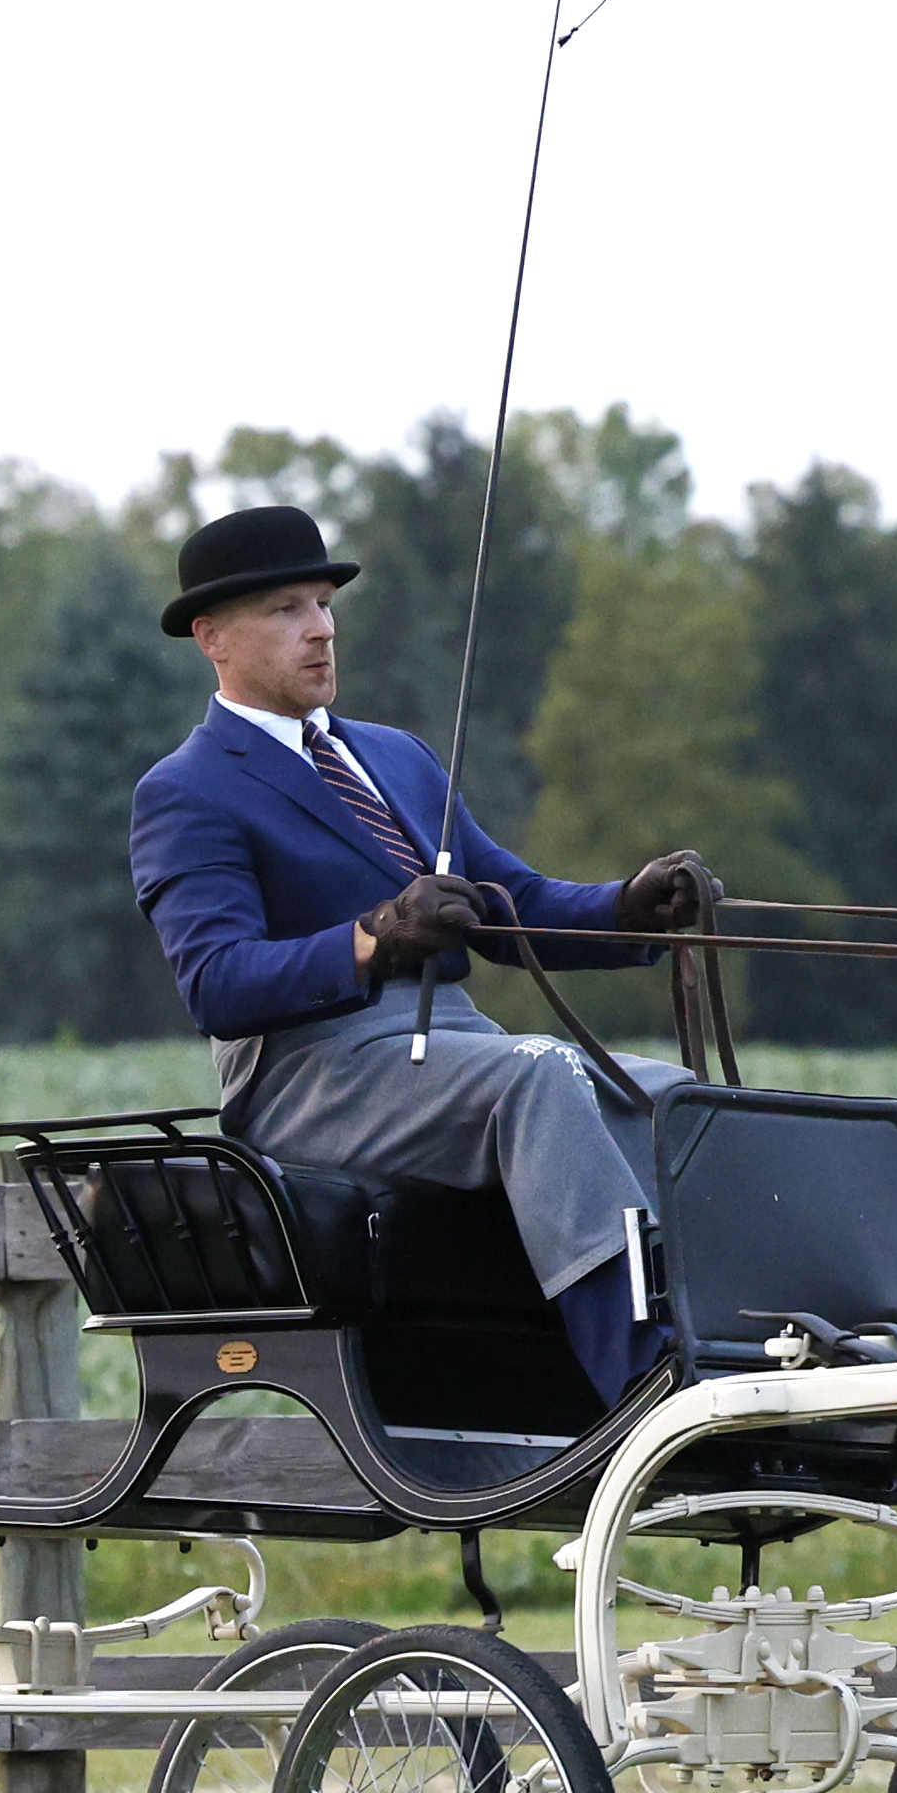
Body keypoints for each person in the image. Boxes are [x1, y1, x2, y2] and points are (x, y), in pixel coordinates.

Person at [127, 501, 708, 1402]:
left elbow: (513, 905)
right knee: (541, 1077)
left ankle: (746, 1347)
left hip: (455, 1051)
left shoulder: (396, 758)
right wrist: (371, 936)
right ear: (212, 637)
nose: (320, 630)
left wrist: (631, 910)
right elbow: (218, 984)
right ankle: (643, 1381)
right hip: (308, 1077)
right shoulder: (187, 789)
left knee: (678, 1099)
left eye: (323, 605)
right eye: (286, 610)